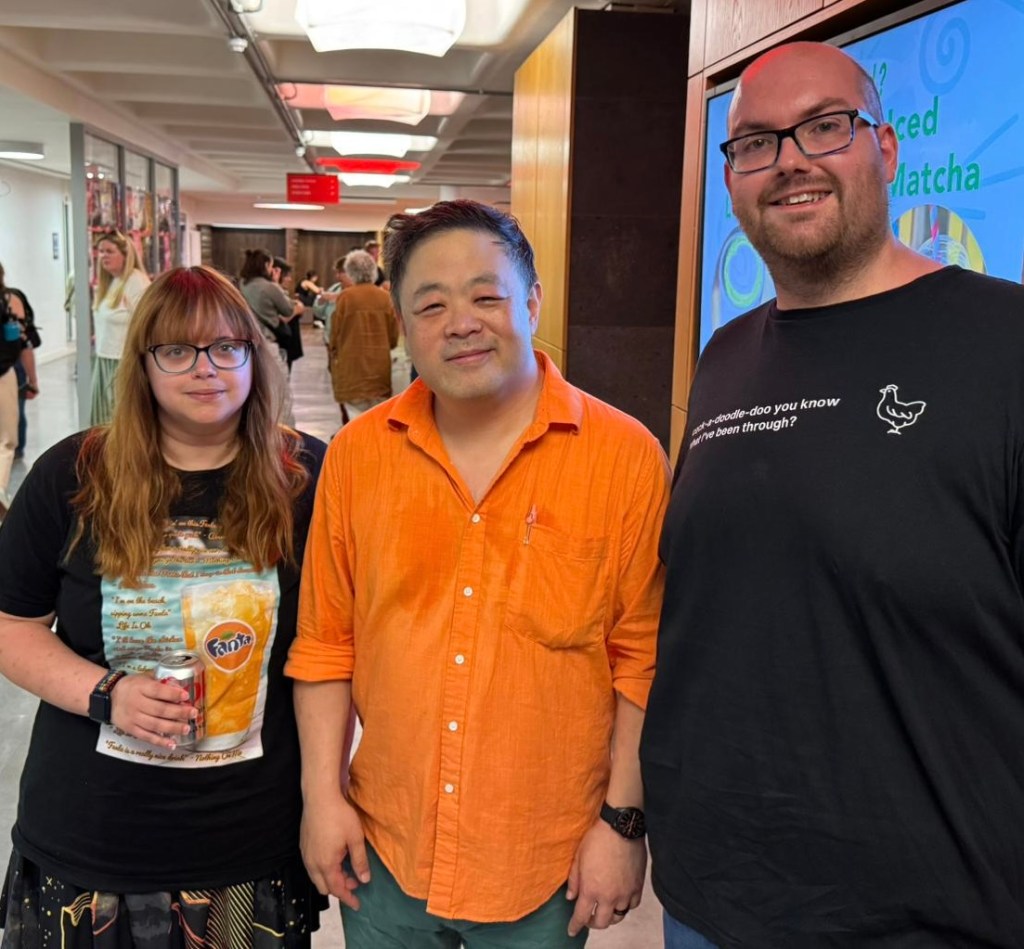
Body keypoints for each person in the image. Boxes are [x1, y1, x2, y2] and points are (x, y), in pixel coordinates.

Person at [640, 40, 1024, 949]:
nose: (790, 161)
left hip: (931, 911)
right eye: (757, 142)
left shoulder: (1006, 343)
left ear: (885, 149)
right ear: (732, 179)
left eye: (824, 127)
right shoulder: (726, 355)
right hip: (713, 895)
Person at [286, 199, 670, 948]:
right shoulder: (359, 456)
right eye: (431, 305)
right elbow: (327, 643)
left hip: (546, 860)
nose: (460, 323)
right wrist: (321, 797)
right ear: (403, 324)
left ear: (532, 302)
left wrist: (623, 823)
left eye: (486, 297)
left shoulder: (623, 458)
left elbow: (642, 660)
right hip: (386, 846)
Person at [0, 266, 327, 948]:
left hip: (249, 839)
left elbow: (334, 651)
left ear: (254, 355)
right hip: (91, 837)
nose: (205, 368)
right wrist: (105, 693)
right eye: (177, 350)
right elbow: (12, 626)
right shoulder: (73, 474)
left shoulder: (308, 478)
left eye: (226, 347)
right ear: (143, 364)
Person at [326, 249, 397, 423]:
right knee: (379, 421)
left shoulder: (345, 297)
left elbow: (335, 335)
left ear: (350, 272)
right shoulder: (386, 298)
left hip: (352, 370)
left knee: (356, 422)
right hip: (379, 371)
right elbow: (393, 338)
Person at [90, 229, 150, 425]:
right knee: (103, 421)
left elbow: (147, 324)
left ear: (125, 254)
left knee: (121, 421)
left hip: (122, 362)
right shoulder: (110, 282)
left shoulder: (136, 281)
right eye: (101, 251)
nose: (103, 256)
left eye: (109, 251)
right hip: (104, 359)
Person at [239, 248, 300, 425]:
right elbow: (288, 309)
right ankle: (285, 432)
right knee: (279, 391)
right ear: (266, 265)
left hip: (245, 344)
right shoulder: (269, 287)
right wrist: (275, 283)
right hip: (268, 343)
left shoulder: (242, 284)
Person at [0, 273, 29, 516]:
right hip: (3, 374)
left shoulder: (8, 300)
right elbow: (22, 340)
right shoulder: (10, 300)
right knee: (6, 440)